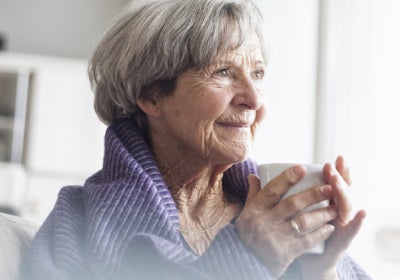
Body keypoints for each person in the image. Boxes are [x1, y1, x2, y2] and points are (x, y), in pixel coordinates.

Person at [24, 0, 371, 279]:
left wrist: (321, 271)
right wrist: (245, 259)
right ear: (152, 95)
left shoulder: (277, 218)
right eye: (223, 72)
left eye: (258, 73)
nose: (254, 98)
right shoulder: (79, 222)